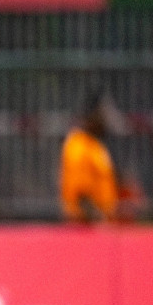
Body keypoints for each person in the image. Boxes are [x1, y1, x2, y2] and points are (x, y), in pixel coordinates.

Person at [60, 93, 119, 223]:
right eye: (104, 113)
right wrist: (97, 220)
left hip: (98, 225)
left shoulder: (94, 145)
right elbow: (80, 193)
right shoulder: (79, 144)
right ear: (94, 115)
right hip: (85, 227)